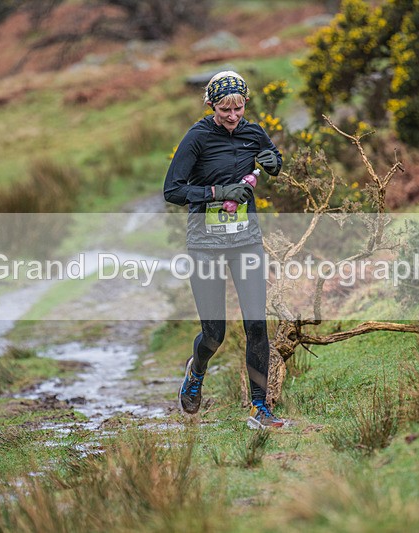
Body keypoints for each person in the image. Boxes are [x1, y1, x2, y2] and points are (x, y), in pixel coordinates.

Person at [163, 70, 284, 429]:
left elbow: (272, 158)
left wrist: (274, 163)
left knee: (256, 326)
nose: (232, 116)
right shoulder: (197, 138)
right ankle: (196, 370)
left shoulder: (252, 131)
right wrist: (217, 193)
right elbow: (172, 190)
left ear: (245, 103)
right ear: (212, 105)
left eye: (238, 108)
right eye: (224, 109)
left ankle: (259, 408)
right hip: (205, 245)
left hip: (245, 241)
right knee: (214, 332)